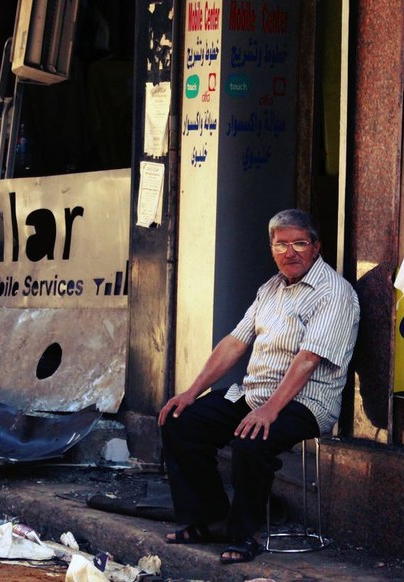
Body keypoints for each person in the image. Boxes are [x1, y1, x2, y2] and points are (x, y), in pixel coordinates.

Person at [158, 208, 360, 564]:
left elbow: (308, 359)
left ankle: (244, 534)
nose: (290, 252)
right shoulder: (270, 289)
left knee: (252, 440)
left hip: (307, 402)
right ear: (272, 249)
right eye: (281, 245)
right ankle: (212, 518)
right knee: (180, 421)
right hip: (255, 395)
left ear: (316, 247)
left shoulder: (334, 293)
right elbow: (234, 343)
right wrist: (191, 392)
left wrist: (270, 410)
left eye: (299, 243)